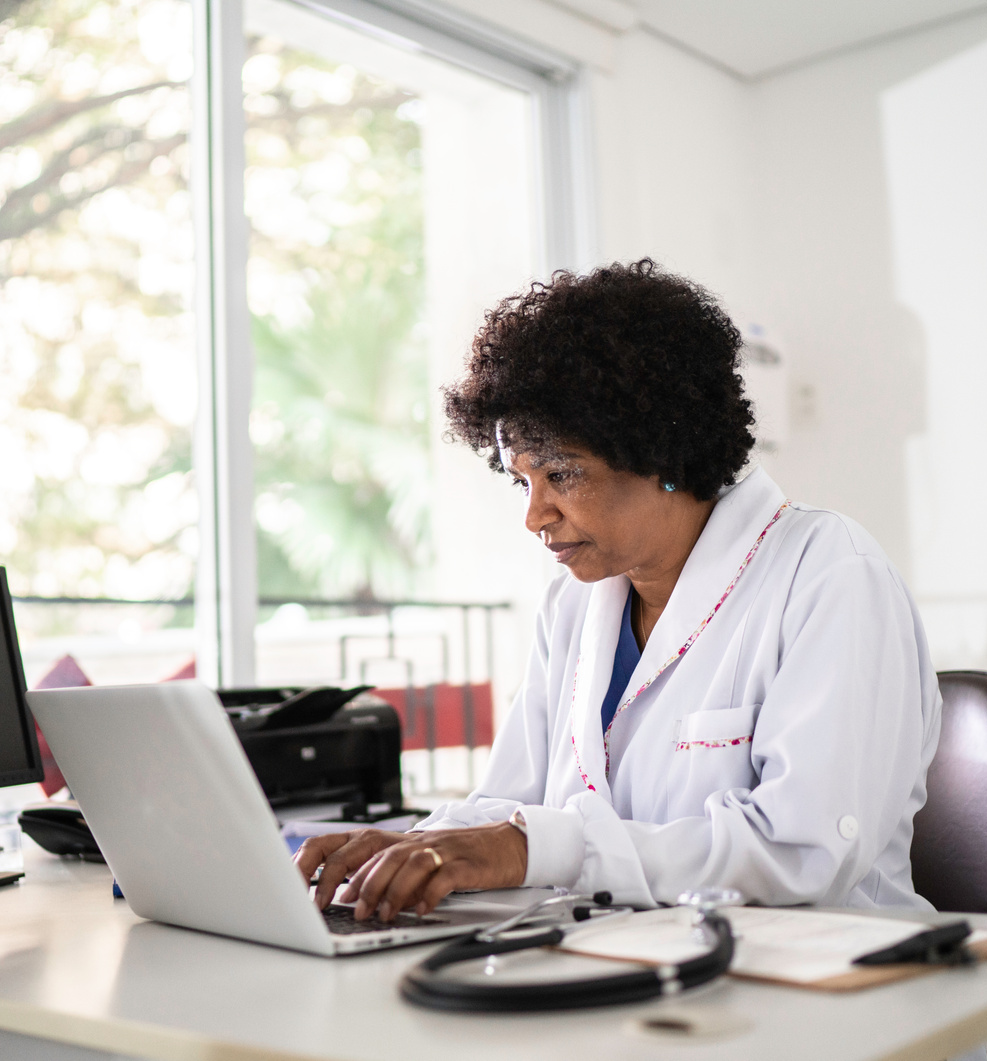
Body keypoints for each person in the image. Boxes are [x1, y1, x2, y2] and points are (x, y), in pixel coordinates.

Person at [295, 258, 943, 926]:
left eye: (561, 475)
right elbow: (511, 803)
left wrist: (537, 848)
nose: (533, 514)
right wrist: (407, 845)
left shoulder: (827, 575)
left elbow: (800, 853)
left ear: (660, 449)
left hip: (837, 987)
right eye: (522, 482)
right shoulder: (576, 604)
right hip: (638, 975)